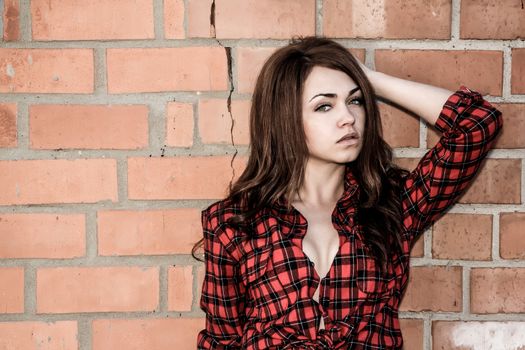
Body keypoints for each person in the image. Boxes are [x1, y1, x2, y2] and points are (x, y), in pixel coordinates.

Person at [192, 36, 503, 349]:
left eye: (355, 101)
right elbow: (221, 342)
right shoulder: (235, 223)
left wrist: (369, 80)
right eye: (324, 106)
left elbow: (477, 124)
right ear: (285, 119)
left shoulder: (393, 204)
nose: (348, 118)